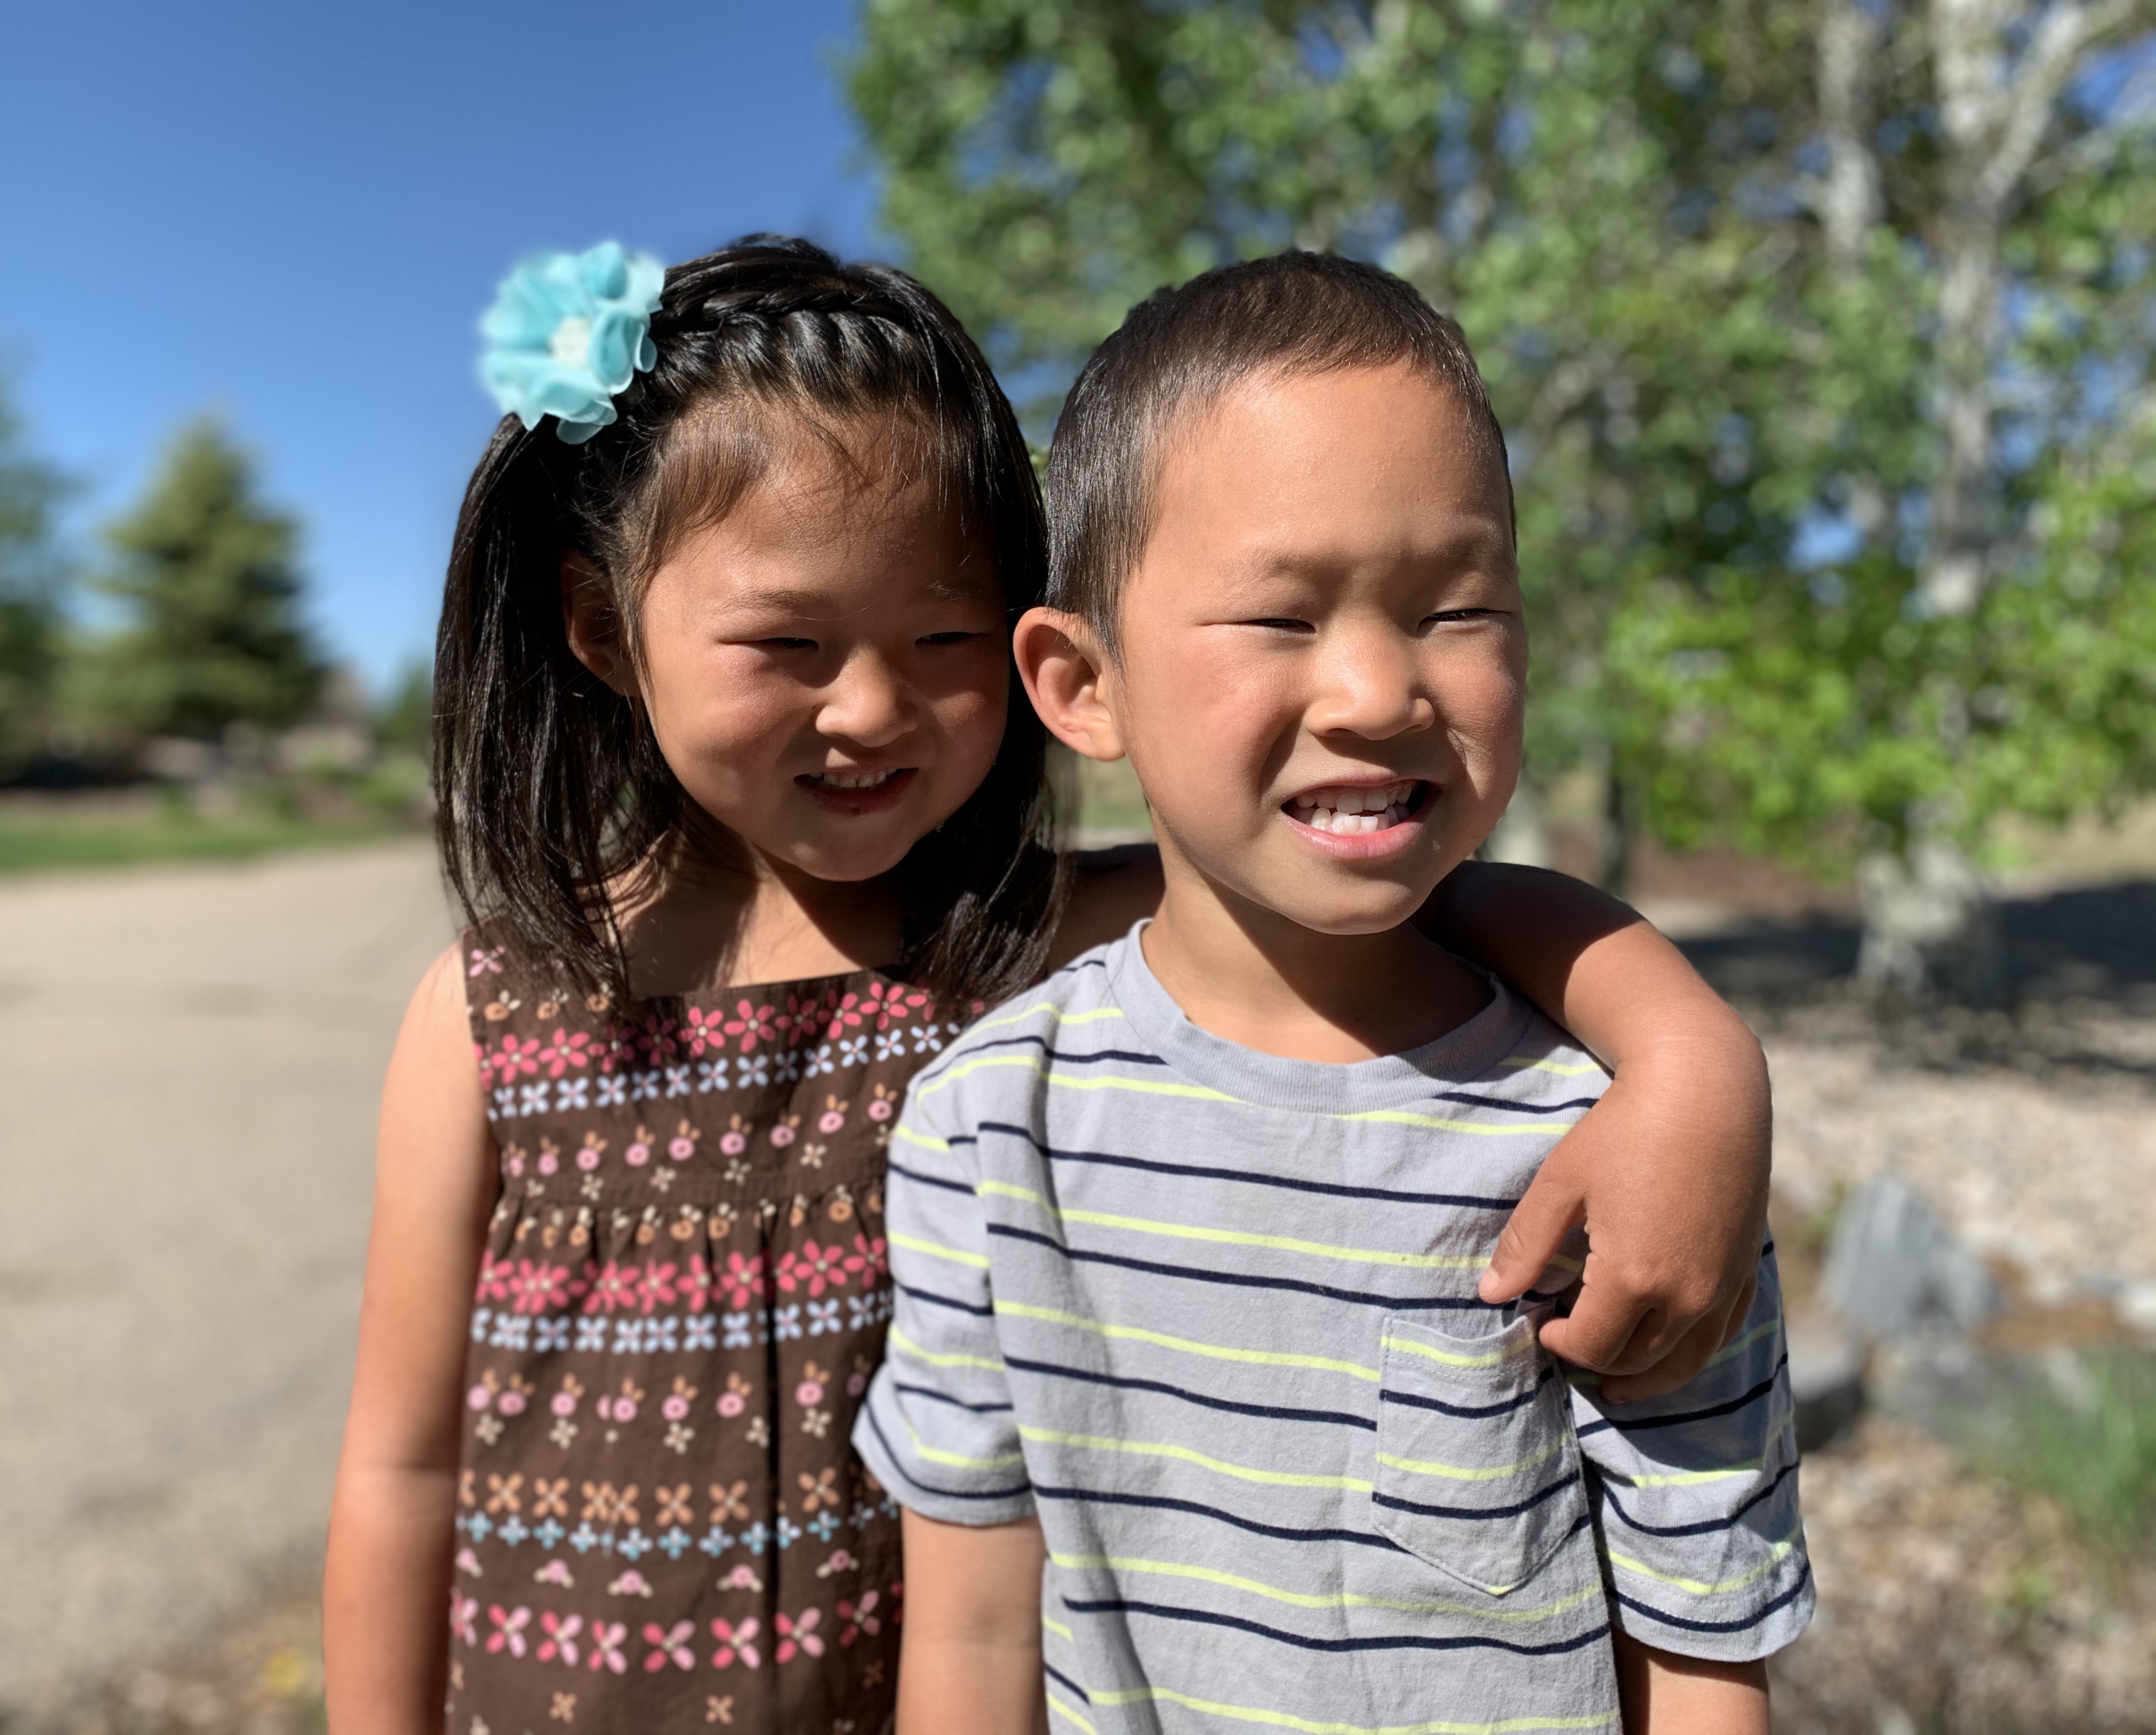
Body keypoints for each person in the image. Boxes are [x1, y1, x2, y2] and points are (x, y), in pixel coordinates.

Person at [325, 235, 1780, 1735]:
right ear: (602, 632)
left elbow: (1423, 890)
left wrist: (1691, 1061)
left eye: (941, 638)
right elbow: (400, 1468)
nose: (872, 705)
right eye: (788, 642)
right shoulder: (495, 1015)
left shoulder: (1020, 938)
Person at [858, 252, 1809, 1735]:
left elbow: (1700, 1662)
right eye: (1283, 617)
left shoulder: (1623, 1150)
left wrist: (1691, 1061)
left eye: (1454, 609)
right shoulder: (988, 1135)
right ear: (1083, 686)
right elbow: (974, 1645)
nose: (1377, 692)